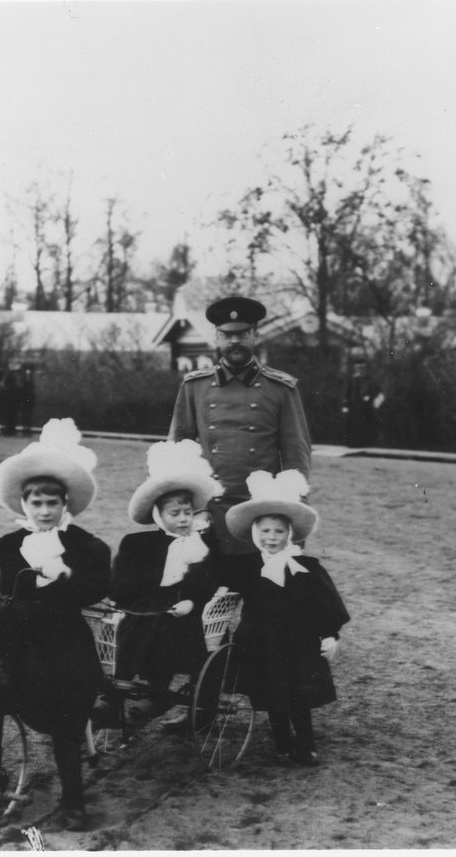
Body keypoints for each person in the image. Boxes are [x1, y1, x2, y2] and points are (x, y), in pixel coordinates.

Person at [0, 418, 110, 831]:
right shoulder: (7, 546)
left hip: (61, 640)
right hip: (15, 641)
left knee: (66, 709)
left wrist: (65, 576)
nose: (43, 512)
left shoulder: (84, 545)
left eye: (51, 504)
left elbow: (95, 588)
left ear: (65, 505)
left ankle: (73, 798)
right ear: (22, 505)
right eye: (35, 504)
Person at [218, 469, 350, 766]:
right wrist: (219, 595)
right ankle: (281, 741)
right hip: (259, 640)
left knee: (298, 695)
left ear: (289, 534)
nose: (271, 538)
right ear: (255, 533)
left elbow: (325, 604)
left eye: (278, 531)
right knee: (271, 693)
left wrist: (330, 635)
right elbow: (228, 589)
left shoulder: (306, 567)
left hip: (297, 641)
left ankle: (305, 743)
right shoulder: (246, 565)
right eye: (264, 531)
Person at [167, 296, 312, 554]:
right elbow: (177, 452)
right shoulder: (194, 387)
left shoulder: (280, 388)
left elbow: (295, 456)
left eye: (243, 334)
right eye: (227, 334)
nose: (235, 341)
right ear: (217, 336)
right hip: (210, 508)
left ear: (255, 335)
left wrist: (294, 508)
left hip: (260, 508)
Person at [103, 440, 223, 727]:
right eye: (174, 513)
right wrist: (122, 600)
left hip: (183, 607)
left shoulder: (201, 544)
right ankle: (114, 692)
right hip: (144, 604)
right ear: (158, 515)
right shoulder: (137, 543)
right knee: (132, 623)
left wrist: (192, 599)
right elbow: (123, 581)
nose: (183, 519)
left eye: (187, 512)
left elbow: (208, 577)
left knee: (165, 625)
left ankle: (156, 691)